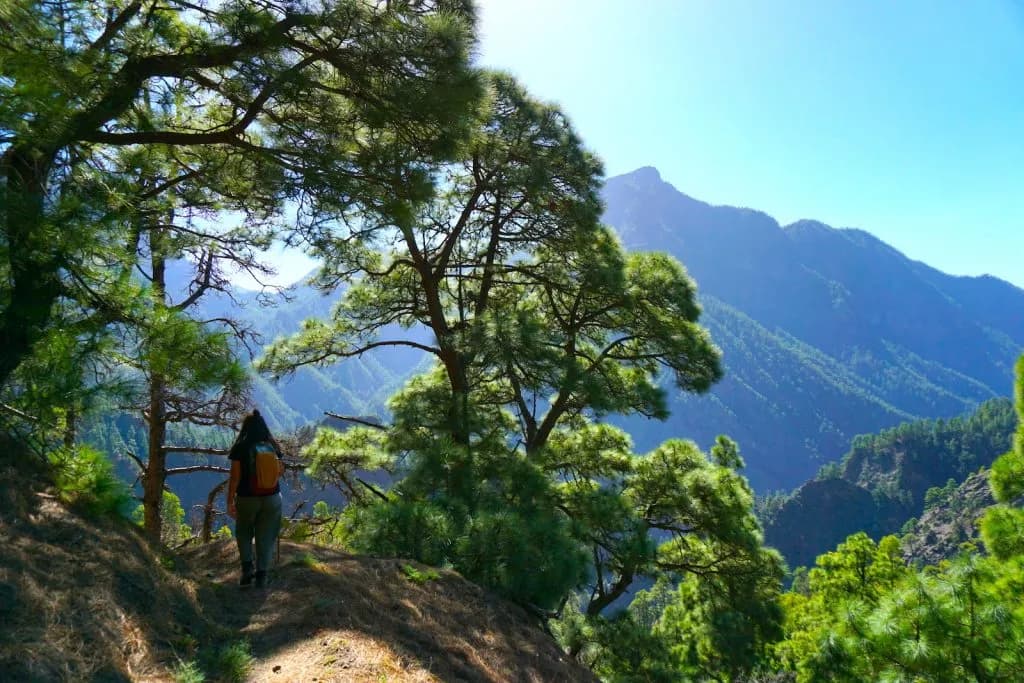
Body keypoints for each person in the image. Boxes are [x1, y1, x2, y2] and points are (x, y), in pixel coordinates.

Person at [227, 409, 285, 588]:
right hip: (272, 498)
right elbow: (280, 472)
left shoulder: (241, 447)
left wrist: (229, 501)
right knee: (265, 536)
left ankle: (247, 570)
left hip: (247, 498)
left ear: (246, 428)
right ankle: (262, 576)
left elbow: (235, 478)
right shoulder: (272, 446)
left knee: (244, 532)